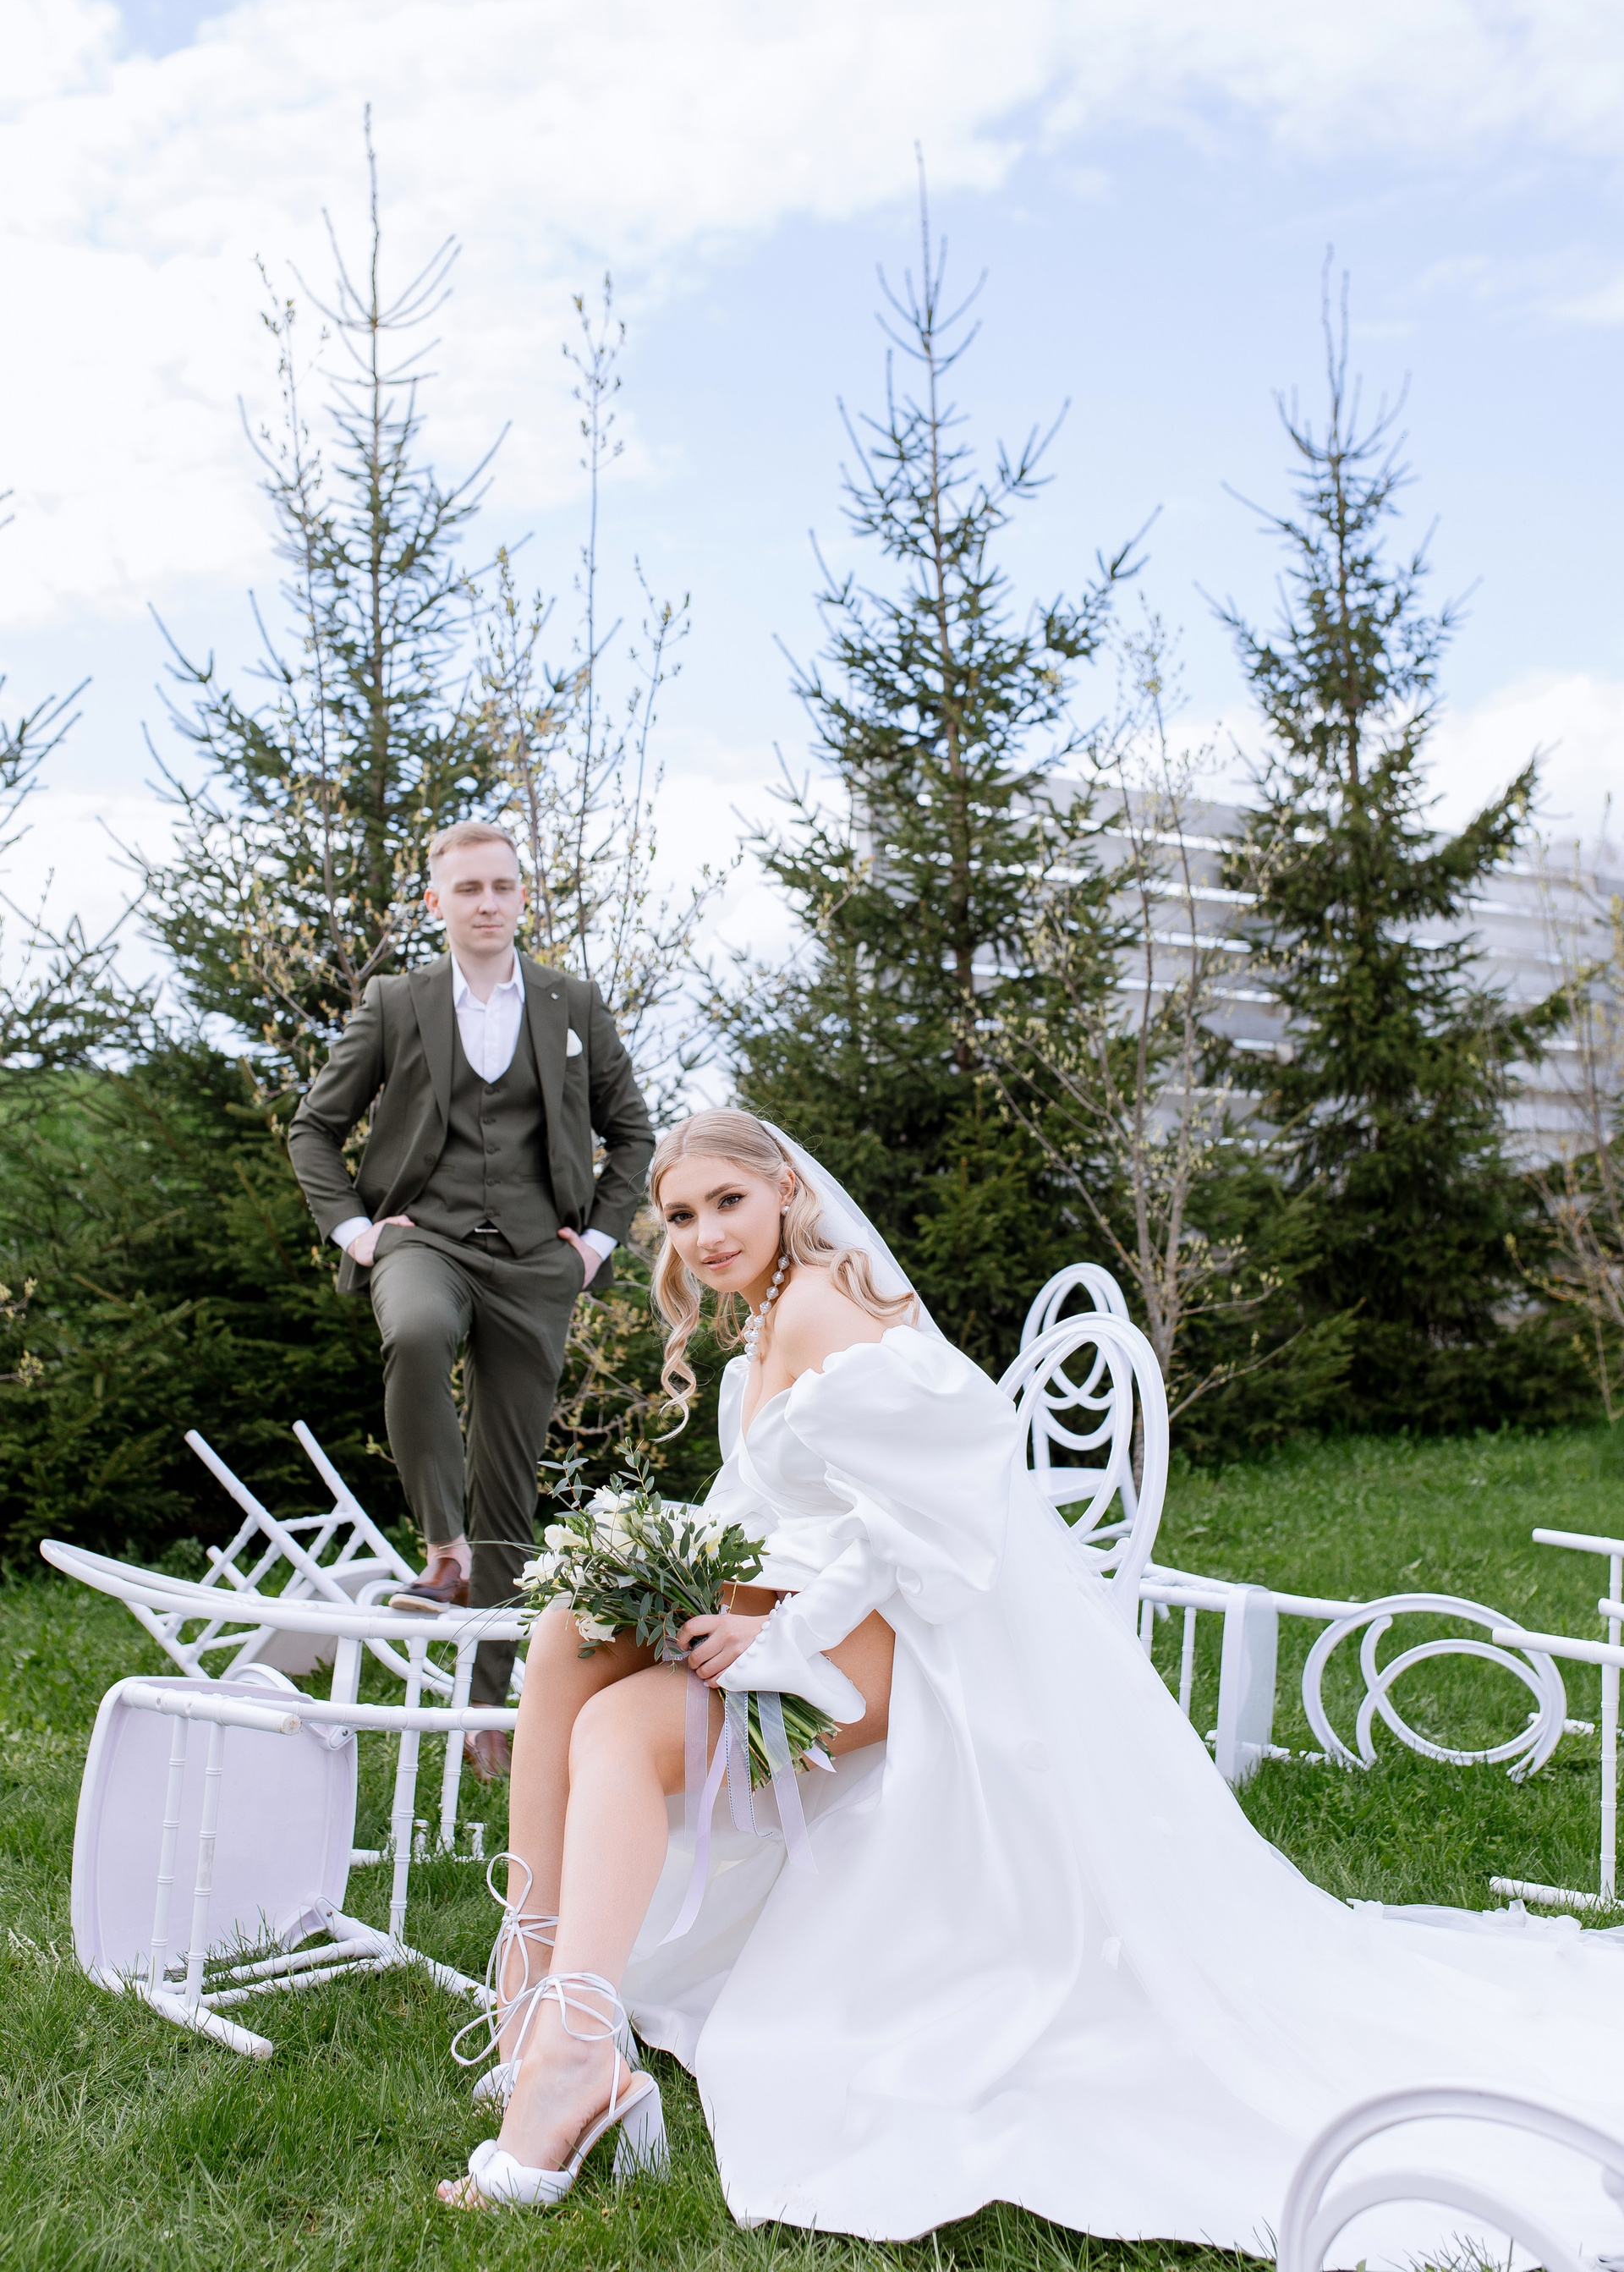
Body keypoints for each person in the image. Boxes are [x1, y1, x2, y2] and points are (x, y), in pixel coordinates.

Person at [437, 1108, 1624, 2258]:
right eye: (683, 1215)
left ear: (787, 1190)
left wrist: (784, 1635)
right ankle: (534, 1998)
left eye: (728, 1201)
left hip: (903, 1645)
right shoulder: (772, 1313)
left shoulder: (823, 1309)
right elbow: (798, 1506)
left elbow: (934, 1514)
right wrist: (672, 1578)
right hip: (824, 1602)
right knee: (570, 1635)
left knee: (620, 1729)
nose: (705, 1234)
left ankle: (570, 2057)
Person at [286, 820, 653, 1779]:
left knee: (510, 1480)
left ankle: (488, 1711)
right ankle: (441, 1547)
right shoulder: (395, 1002)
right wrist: (357, 1232)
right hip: (425, 1238)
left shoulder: (572, 1003)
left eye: (502, 886)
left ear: (522, 896)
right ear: (435, 903)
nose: (487, 903)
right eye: (467, 889)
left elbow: (633, 1134)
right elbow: (313, 1128)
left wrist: (595, 1246)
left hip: (537, 1257)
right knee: (414, 1332)